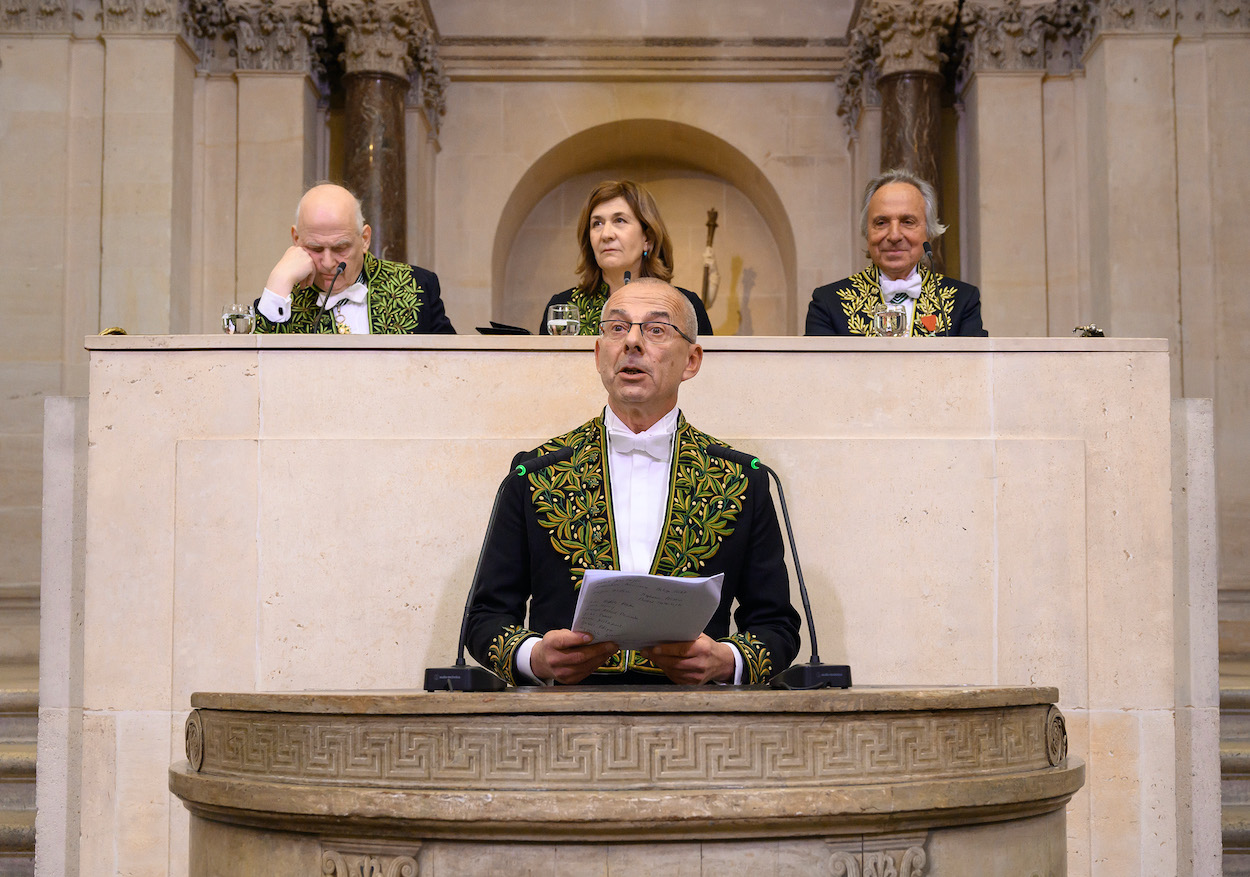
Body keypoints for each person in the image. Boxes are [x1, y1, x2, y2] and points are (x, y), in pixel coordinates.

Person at [469, 278, 800, 686]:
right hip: (560, 720)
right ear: (598, 352)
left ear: (692, 361)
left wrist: (724, 660)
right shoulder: (537, 472)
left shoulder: (741, 479)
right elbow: (484, 618)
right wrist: (533, 657)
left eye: (656, 329)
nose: (632, 343)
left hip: (700, 722)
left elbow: (776, 626)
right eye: (617, 328)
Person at [806, 169, 988, 337]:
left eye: (907, 221)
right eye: (881, 222)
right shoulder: (828, 304)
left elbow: (976, 368)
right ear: (867, 232)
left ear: (929, 233)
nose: (894, 235)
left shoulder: (962, 300)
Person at [253, 183, 455, 334]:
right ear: (296, 239)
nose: (328, 262)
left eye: (341, 247)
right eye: (315, 248)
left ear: (365, 239)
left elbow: (453, 368)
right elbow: (254, 374)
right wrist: (278, 282)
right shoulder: (279, 300)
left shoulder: (417, 286)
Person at [538, 180, 715, 336]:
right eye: (597, 223)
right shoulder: (562, 308)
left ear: (648, 238)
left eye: (620, 220)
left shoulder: (685, 307)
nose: (606, 234)